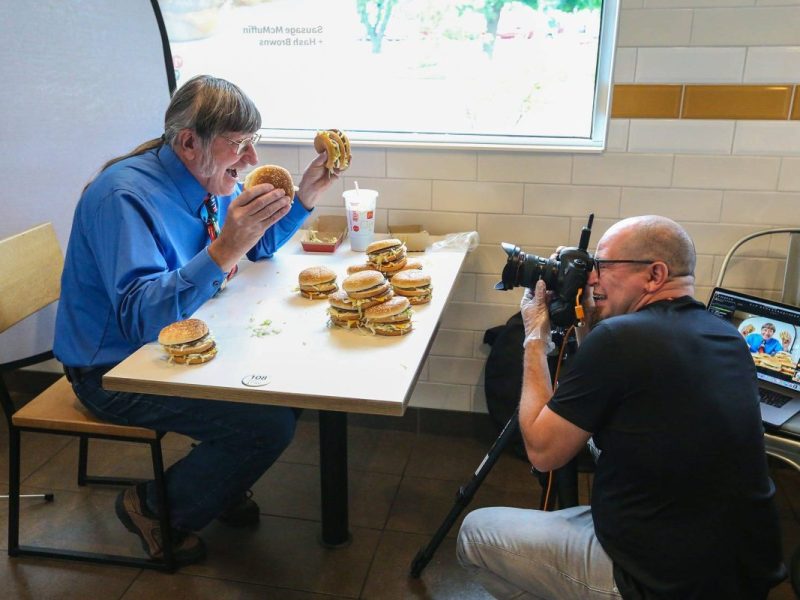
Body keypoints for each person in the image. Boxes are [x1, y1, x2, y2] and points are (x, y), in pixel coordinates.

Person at [54, 75, 337, 565]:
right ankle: (153, 506)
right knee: (265, 426)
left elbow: (259, 244)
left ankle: (217, 483)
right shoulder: (122, 197)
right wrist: (225, 246)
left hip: (174, 346)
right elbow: (144, 320)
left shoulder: (209, 176)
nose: (250, 162)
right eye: (240, 146)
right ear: (189, 142)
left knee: (286, 387)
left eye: (254, 144)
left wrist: (304, 197)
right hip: (114, 370)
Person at [457, 215, 786, 598]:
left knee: (475, 533)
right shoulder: (726, 337)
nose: (591, 279)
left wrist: (535, 336)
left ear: (654, 275)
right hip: (737, 570)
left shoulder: (619, 339)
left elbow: (544, 452)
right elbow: (618, 381)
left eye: (602, 266)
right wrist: (588, 322)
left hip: (657, 582)